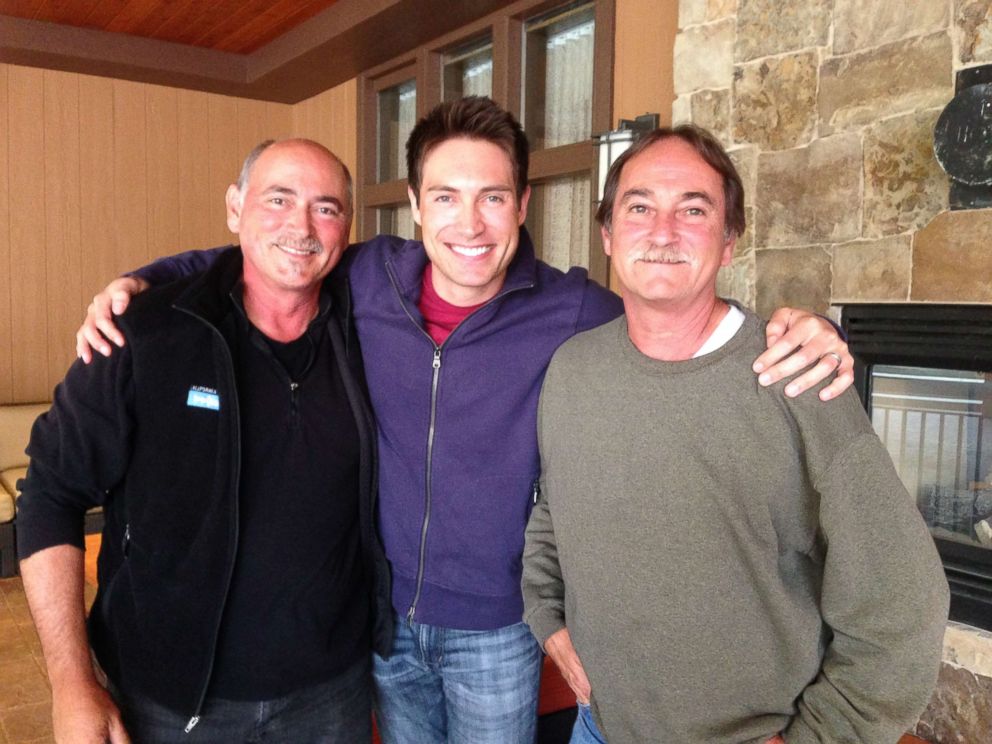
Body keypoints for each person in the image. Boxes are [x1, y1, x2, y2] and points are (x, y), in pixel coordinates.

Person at [73, 97, 855, 744]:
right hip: (382, 622)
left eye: (491, 197)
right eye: (445, 196)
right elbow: (269, 248)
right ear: (415, 206)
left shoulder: (573, 308)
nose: (469, 223)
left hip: (497, 628)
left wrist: (790, 327)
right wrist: (141, 280)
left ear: (521, 204)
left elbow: (680, 309)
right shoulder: (370, 278)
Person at [520, 125, 949, 744]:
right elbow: (552, 513)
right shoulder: (572, 370)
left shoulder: (799, 377)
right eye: (639, 207)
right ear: (609, 234)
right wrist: (547, 617)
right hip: (599, 727)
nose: (662, 232)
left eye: (693, 210)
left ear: (728, 242)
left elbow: (903, 601)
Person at [17, 139, 392, 743]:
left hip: (331, 695)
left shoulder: (370, 330)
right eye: (278, 199)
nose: (301, 225)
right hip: (172, 700)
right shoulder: (143, 332)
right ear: (234, 209)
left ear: (347, 228)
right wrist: (71, 681)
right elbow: (49, 497)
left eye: (326, 207)